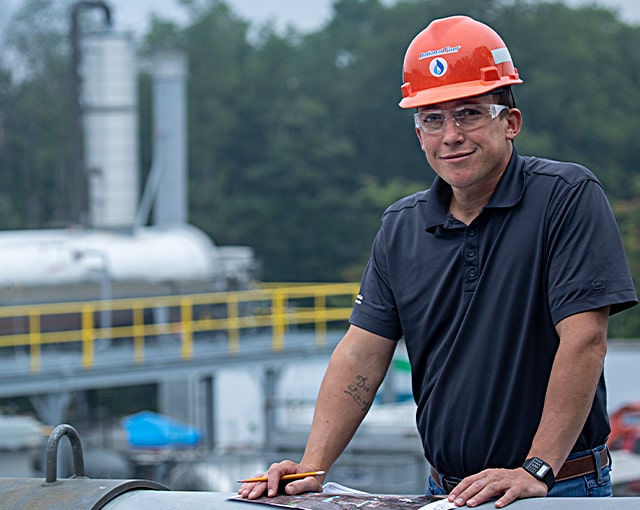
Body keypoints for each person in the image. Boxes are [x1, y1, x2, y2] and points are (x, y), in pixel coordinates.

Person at [238, 15, 638, 508]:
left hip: (553, 489)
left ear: (510, 123)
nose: (450, 135)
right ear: (419, 132)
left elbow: (585, 340)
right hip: (445, 491)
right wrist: (313, 465)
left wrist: (536, 469)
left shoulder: (566, 197)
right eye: (432, 117)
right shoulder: (402, 227)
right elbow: (362, 352)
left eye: (469, 113)